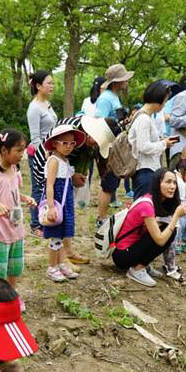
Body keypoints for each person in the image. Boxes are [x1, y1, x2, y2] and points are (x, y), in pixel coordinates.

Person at [0, 129, 36, 291]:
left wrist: (25, 198)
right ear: (4, 150)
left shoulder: (15, 170)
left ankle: (11, 294)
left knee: (16, 266)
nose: (22, 154)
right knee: (0, 268)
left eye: (23, 150)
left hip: (16, 227)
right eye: (18, 150)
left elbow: (14, 192)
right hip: (0, 229)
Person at [111, 168, 186, 287]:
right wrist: (176, 217)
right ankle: (137, 269)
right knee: (168, 232)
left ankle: (143, 265)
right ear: (157, 183)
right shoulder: (147, 205)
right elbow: (160, 240)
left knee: (165, 228)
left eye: (174, 183)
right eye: (168, 182)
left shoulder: (154, 200)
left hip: (131, 248)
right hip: (123, 255)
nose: (172, 186)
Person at [53, 114, 115, 263]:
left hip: (68, 174)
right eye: (97, 141)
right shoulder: (72, 134)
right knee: (61, 213)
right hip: (55, 175)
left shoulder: (88, 143)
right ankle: (63, 256)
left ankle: (67, 251)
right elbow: (56, 160)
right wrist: (72, 175)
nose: (96, 145)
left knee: (67, 213)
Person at [41, 124, 86, 283]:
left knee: (60, 235)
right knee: (55, 236)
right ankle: (52, 267)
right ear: (55, 143)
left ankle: (61, 264)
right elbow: (50, 184)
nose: (69, 146)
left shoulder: (64, 160)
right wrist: (51, 206)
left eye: (72, 143)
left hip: (64, 200)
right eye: (64, 143)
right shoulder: (54, 160)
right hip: (57, 201)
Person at [128, 81, 176, 199]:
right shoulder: (144, 119)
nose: (164, 105)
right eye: (165, 101)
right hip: (144, 170)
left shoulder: (146, 117)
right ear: (158, 99)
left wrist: (161, 141)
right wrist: (164, 144)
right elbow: (143, 146)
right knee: (143, 208)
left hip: (148, 169)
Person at [95, 64, 134, 200]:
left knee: (112, 184)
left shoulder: (114, 97)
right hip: (108, 146)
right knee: (107, 184)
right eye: (125, 79)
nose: (127, 81)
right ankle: (101, 219)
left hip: (116, 144)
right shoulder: (105, 99)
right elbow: (100, 123)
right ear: (116, 82)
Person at [26, 69, 57, 237]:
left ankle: (45, 220)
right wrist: (43, 155)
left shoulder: (47, 105)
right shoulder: (34, 108)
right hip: (39, 154)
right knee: (38, 187)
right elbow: (35, 137)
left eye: (52, 83)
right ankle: (35, 224)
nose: (52, 86)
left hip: (50, 154)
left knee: (48, 187)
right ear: (38, 86)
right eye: (49, 83)